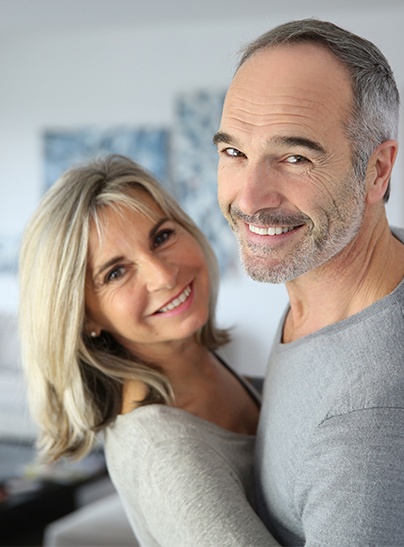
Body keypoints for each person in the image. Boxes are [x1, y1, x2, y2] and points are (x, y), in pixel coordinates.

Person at [214, 18, 404, 546]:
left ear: (378, 171)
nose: (249, 197)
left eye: (294, 158)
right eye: (234, 152)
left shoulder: (375, 436)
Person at [18, 154, 278, 546]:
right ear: (85, 317)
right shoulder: (165, 452)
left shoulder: (203, 367)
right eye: (116, 272)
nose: (163, 275)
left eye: (162, 237)